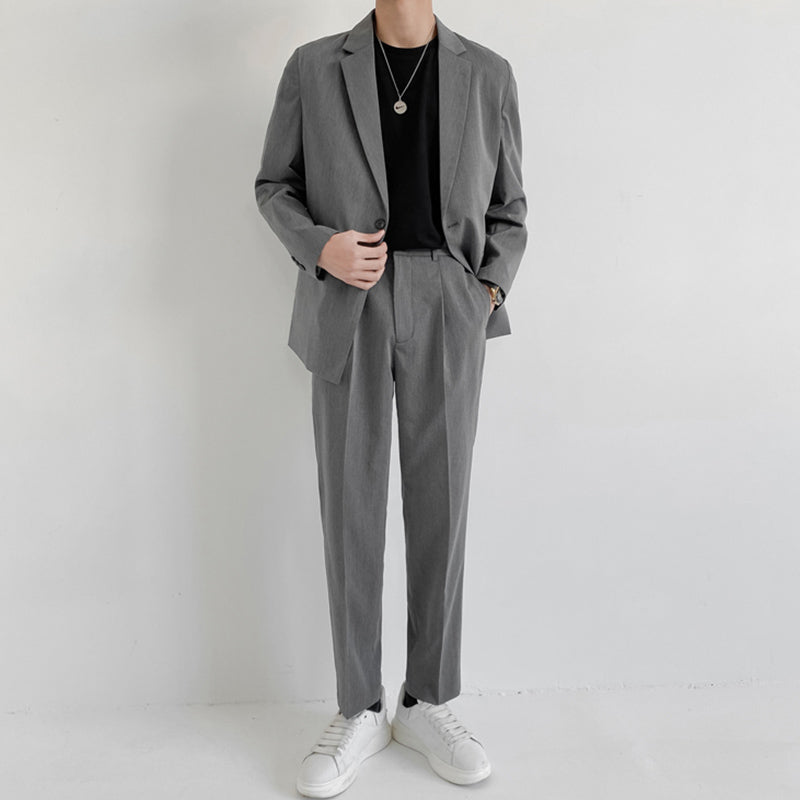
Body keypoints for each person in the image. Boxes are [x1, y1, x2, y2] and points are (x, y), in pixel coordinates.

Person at [254, 1, 527, 796]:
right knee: (351, 501)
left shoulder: (490, 74)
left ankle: (427, 698)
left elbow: (510, 208)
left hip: (449, 303)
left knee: (442, 500)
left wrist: (483, 290)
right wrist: (323, 248)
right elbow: (275, 186)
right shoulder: (314, 66)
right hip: (350, 301)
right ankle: (360, 705)